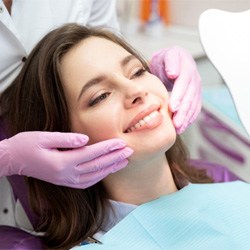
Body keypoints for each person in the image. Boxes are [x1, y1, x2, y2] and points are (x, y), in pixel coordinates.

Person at [0, 23, 212, 249]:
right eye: (101, 96)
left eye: (138, 71)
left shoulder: (229, 191)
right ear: (62, 142)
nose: (136, 91)